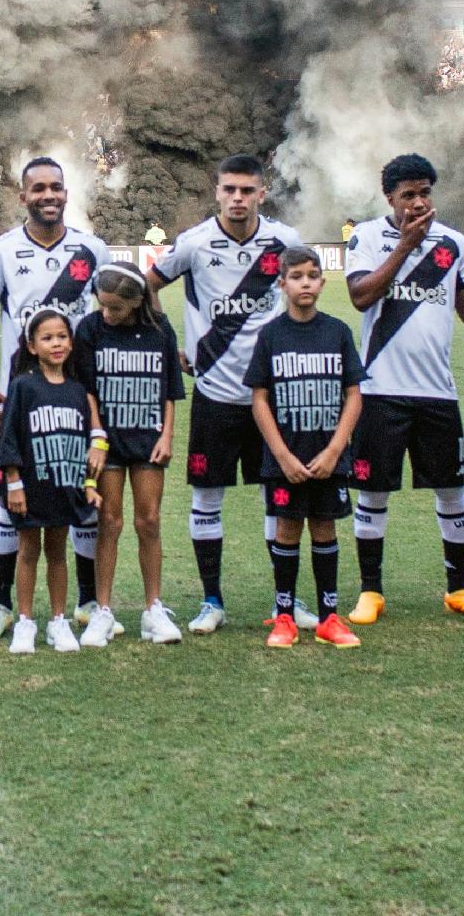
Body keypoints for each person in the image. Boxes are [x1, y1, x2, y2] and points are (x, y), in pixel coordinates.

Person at [145, 154, 307, 634]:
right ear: (216, 192)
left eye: (247, 190)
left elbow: (304, 289)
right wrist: (169, 340)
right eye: (229, 190)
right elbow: (148, 285)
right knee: (206, 498)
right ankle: (211, 601)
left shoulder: (285, 242)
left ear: (262, 192)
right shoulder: (195, 243)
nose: (238, 199)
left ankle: (286, 603)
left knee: (277, 499)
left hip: (271, 397)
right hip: (213, 394)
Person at [342, 153, 464, 625]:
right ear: (389, 197)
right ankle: (371, 592)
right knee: (372, 493)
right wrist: (406, 247)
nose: (418, 202)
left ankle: (460, 589)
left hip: (437, 393)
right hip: (379, 390)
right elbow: (361, 295)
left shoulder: (453, 243)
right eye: (408, 194)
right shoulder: (367, 236)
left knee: (452, 491)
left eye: (424, 192)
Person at [0, 157, 109, 641]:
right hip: (19, 403)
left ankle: (88, 601)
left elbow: (118, 311)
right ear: (23, 196)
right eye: (38, 189)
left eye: (56, 188)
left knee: (81, 496)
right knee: (9, 501)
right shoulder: (3, 251)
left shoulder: (91, 250)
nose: (48, 195)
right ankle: (2, 604)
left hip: (75, 399)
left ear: (66, 194)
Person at [245, 247, 363, 650]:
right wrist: (281, 454)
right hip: (286, 459)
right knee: (287, 528)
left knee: (325, 527)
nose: (306, 282)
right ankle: (284, 617)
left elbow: (354, 395)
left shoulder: (338, 332)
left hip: (328, 457)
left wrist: (334, 450)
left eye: (313, 275)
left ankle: (330, 616)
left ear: (322, 282)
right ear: (283, 284)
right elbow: (259, 399)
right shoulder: (271, 335)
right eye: (296, 276)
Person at [72, 262, 186, 645]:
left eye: (116, 308)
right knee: (109, 521)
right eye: (102, 305)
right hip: (108, 442)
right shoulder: (90, 329)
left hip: (148, 438)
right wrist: (97, 435)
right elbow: (86, 388)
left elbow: (171, 388)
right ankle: (102, 611)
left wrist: (167, 435)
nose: (107, 313)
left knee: (149, 521)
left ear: (137, 302)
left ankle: (153, 608)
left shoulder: (159, 330)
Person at [0, 309, 102, 654]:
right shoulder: (23, 386)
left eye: (62, 337)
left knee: (57, 552)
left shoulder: (77, 392)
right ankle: (25, 622)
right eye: (47, 338)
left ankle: (58, 621)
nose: (56, 343)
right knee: (28, 551)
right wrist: (14, 482)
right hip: (31, 486)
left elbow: (85, 441)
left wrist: (88, 485)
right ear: (31, 345)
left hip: (64, 484)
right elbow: (8, 437)